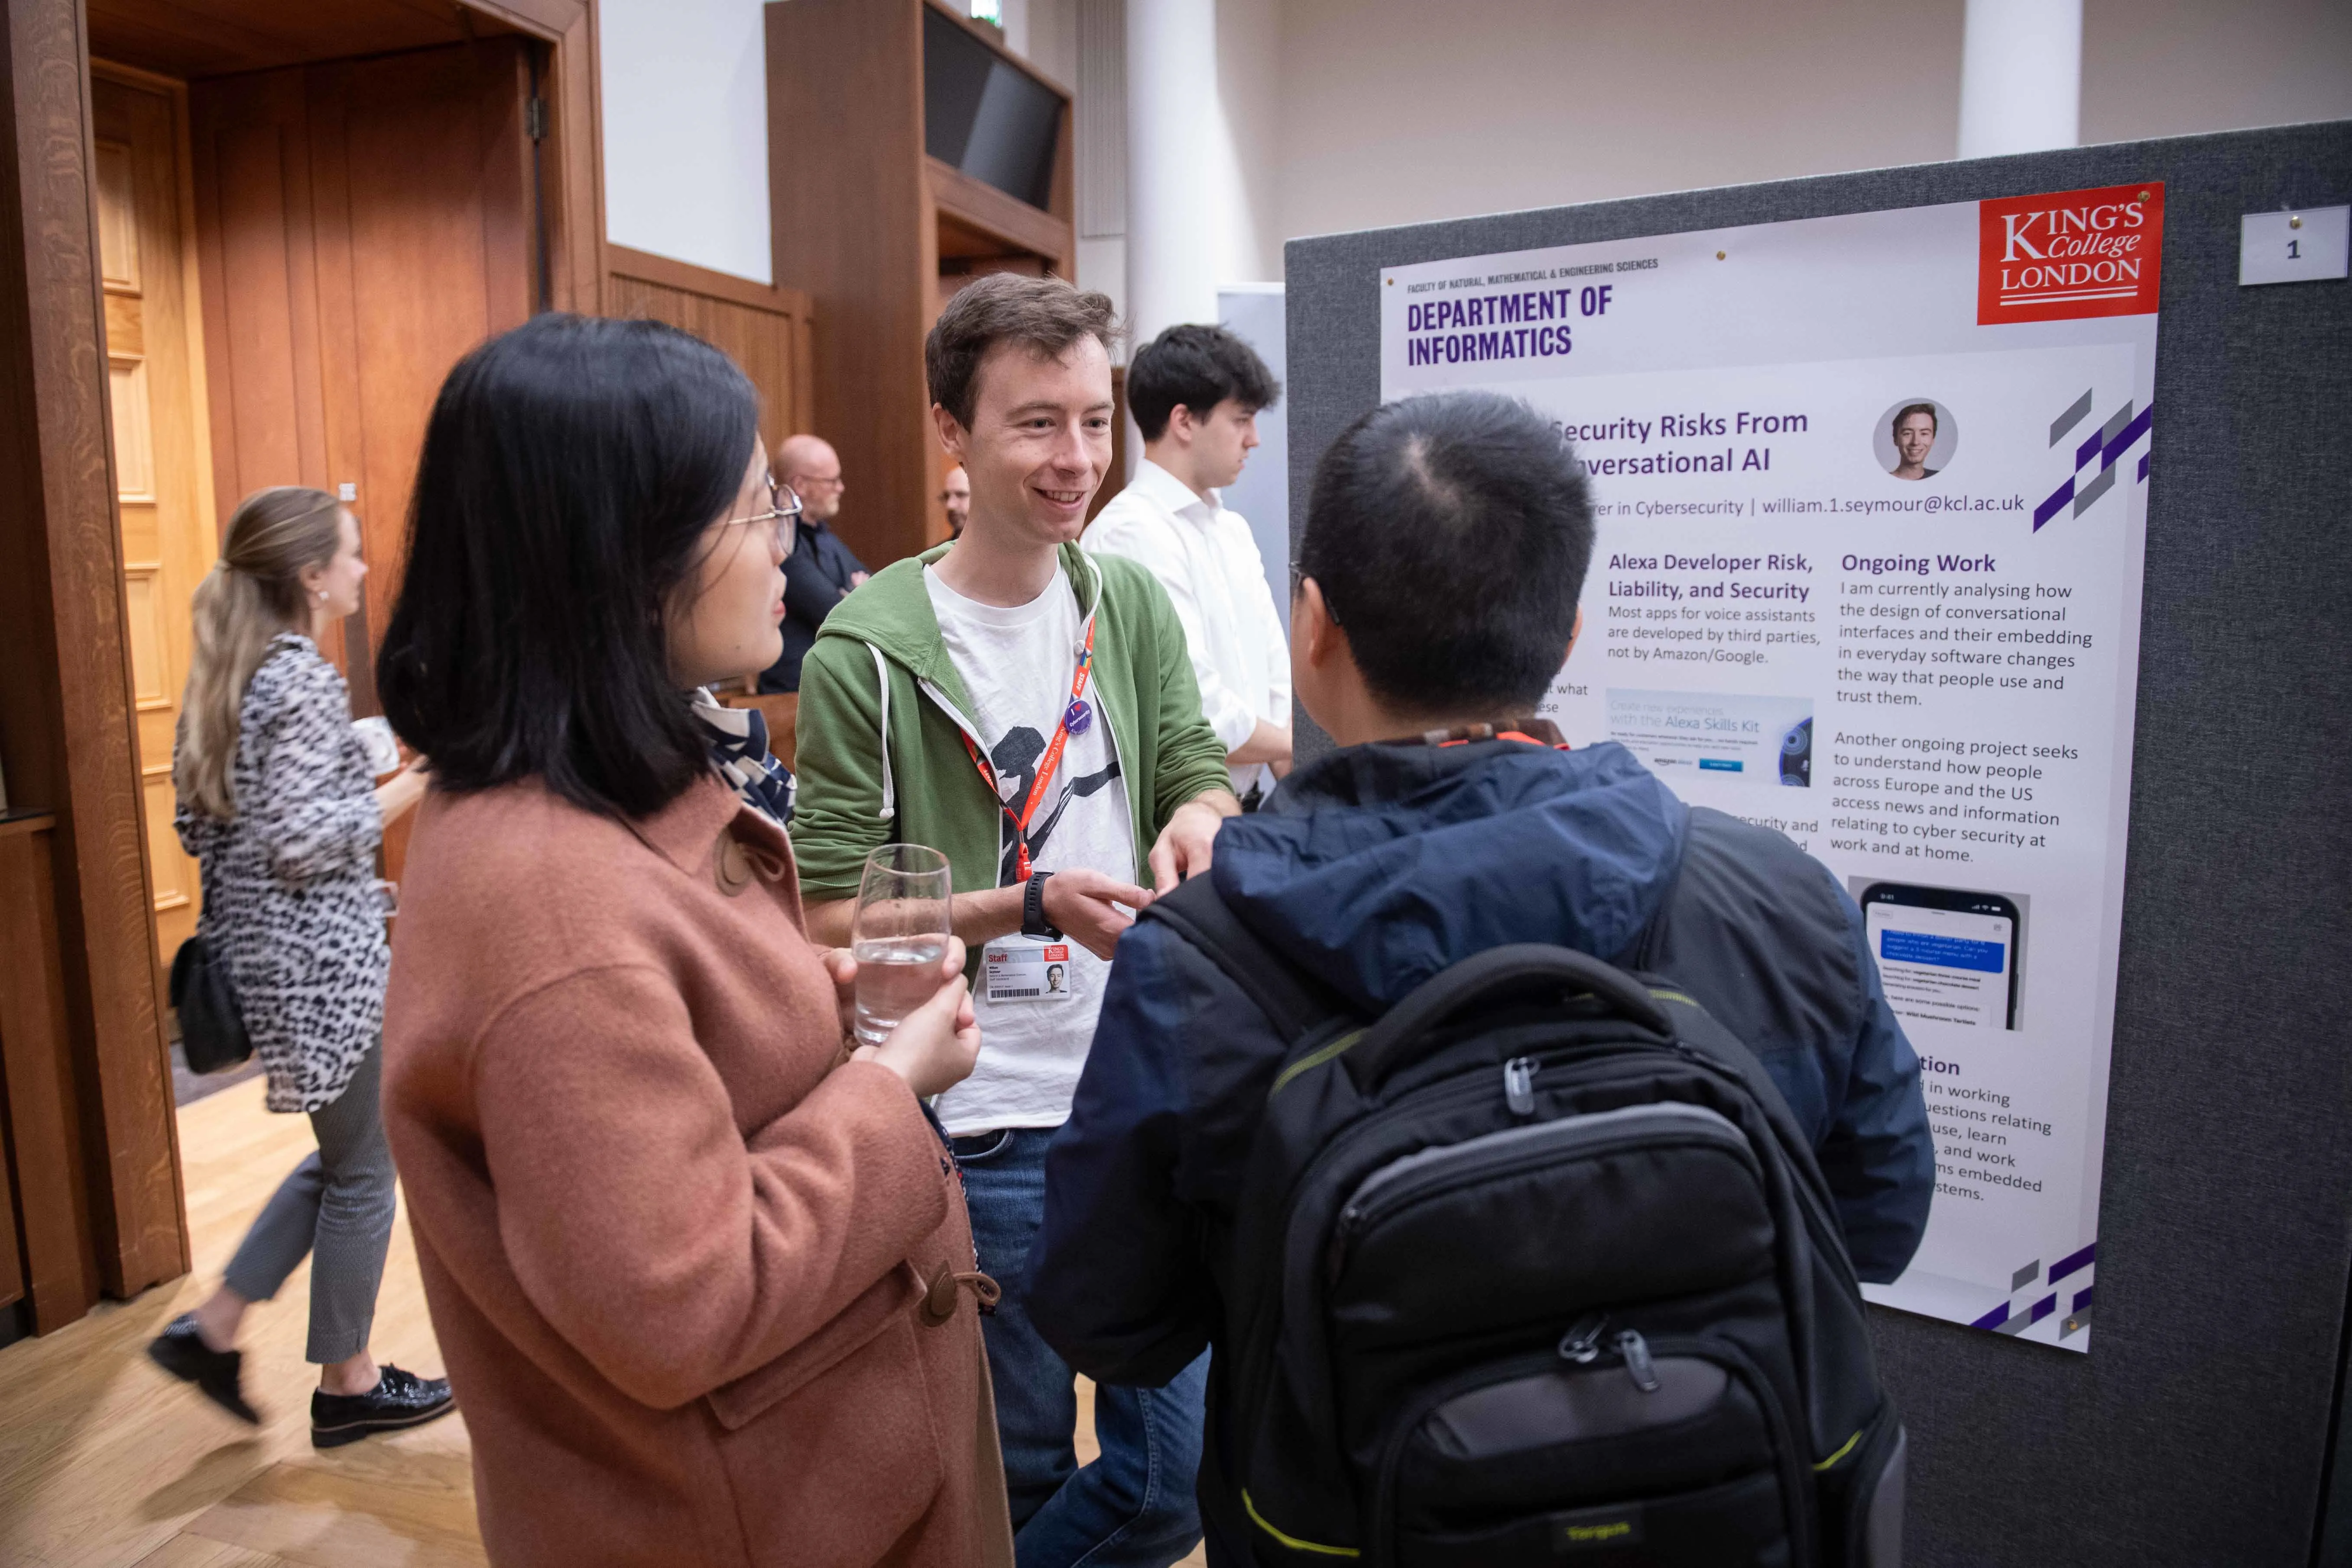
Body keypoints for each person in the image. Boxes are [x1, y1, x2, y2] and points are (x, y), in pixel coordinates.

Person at [1028, 391, 1937, 1563]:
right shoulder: (1777, 896)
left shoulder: (1200, 961)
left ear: (1312, 628)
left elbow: (1115, 1322)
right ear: (1566, 633)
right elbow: (1874, 1222)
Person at [373, 314, 1008, 1568]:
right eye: (754, 504)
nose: (788, 542)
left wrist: (809, 999)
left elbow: (666, 1061)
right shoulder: (546, 898)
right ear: (625, 555)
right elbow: (682, 1294)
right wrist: (886, 1087)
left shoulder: (599, 786)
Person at [792, 273, 1238, 1568]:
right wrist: (1022, 903)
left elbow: (1191, 765)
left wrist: (1198, 816)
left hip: (1144, 1092)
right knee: (1025, 1466)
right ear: (952, 432)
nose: (1077, 461)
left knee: (1172, 1477)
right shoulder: (865, 654)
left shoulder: (1123, 603)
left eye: (1096, 422)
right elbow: (828, 914)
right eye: (1037, 424)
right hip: (987, 1121)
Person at [147, 486, 447, 1449]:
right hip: (326, 977)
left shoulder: (226, 674)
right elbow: (305, 842)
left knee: (347, 1154)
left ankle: (217, 1325)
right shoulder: (302, 681)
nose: (363, 570)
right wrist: (420, 781)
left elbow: (206, 828)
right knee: (366, 1168)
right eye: (353, 556)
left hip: (278, 969)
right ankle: (349, 1383)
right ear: (312, 575)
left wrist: (360, 891)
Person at [1085, 325, 1290, 805]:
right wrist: (1298, 744)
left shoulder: (1230, 529)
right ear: (1183, 421)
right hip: (1179, 812)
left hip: (1256, 800)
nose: (1253, 439)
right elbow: (1194, 709)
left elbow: (1274, 673)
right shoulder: (1130, 532)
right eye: (1241, 420)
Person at [757, 433, 870, 692]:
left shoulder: (826, 538)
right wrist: (854, 592)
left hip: (827, 687)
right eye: (832, 481)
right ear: (801, 485)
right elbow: (838, 612)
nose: (841, 488)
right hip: (791, 692)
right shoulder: (782, 542)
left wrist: (857, 595)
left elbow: (876, 596)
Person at [1891, 401, 1940, 480]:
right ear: (1895, 439)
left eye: (1924, 434)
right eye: (1907, 434)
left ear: (1933, 439)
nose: (1916, 442)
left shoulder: (1943, 479)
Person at [943, 463, 973, 539]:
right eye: (947, 497)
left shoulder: (1004, 550)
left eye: (961, 495)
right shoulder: (942, 551)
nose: (950, 505)